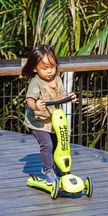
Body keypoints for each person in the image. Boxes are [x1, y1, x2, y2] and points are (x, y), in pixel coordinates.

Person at [22, 44, 77, 185]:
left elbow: (62, 96)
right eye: (45, 68)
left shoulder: (57, 80)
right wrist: (35, 105)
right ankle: (48, 171)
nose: (49, 72)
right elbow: (29, 100)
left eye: (52, 67)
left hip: (54, 121)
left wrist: (70, 97)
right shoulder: (36, 83)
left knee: (59, 143)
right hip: (38, 122)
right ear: (35, 68)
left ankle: (57, 167)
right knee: (47, 145)